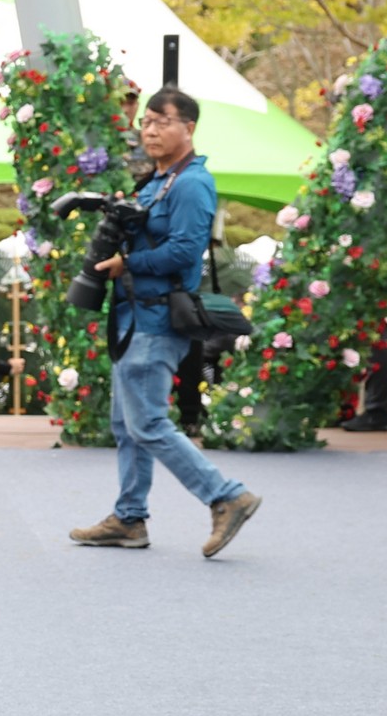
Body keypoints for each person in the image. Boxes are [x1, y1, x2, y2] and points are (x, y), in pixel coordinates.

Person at [68, 87, 261, 558]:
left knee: (149, 422)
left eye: (162, 122)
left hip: (156, 317)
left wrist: (125, 264)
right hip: (134, 315)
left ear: (188, 128)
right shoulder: (157, 180)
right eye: (146, 122)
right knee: (125, 422)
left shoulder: (193, 183)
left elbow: (185, 251)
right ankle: (129, 519)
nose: (151, 130)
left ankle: (226, 495)